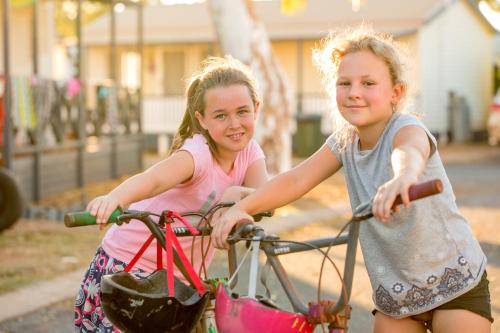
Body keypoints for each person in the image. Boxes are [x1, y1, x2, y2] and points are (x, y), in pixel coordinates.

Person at [212, 27, 493, 333]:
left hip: (453, 281)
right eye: (344, 83)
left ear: (395, 93)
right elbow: (295, 180)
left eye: (368, 83)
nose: (354, 92)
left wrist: (404, 178)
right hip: (396, 296)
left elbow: (410, 151)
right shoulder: (344, 142)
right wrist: (244, 207)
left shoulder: (405, 127)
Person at [74, 56, 268, 332]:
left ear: (256, 109)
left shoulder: (250, 151)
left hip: (180, 277)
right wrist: (114, 198)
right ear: (201, 119)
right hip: (131, 269)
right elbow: (153, 180)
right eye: (221, 115)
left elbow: (264, 195)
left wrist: (236, 196)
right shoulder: (197, 154)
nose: (234, 124)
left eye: (242, 111)